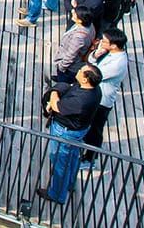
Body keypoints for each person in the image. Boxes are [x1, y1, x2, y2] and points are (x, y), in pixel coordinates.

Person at [38, 64, 103, 204]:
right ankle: (69, 184)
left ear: (85, 80)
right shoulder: (95, 90)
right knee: (73, 157)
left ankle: (57, 195)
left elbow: (56, 106)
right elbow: (71, 86)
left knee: (60, 162)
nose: (78, 71)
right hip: (79, 130)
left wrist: (54, 92)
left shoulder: (81, 101)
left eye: (81, 71)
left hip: (65, 132)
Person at [82, 28, 129, 165]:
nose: (101, 42)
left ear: (113, 45)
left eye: (105, 41)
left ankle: (90, 159)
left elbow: (93, 74)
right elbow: (91, 61)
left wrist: (91, 62)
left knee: (95, 130)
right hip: (96, 94)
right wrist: (95, 54)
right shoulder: (109, 52)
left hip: (102, 101)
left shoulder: (117, 64)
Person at [54, 6, 95, 84]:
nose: (73, 12)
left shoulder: (79, 37)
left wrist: (61, 67)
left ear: (80, 20)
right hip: (75, 62)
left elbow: (71, 55)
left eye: (75, 14)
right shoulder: (90, 25)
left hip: (70, 66)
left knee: (64, 81)